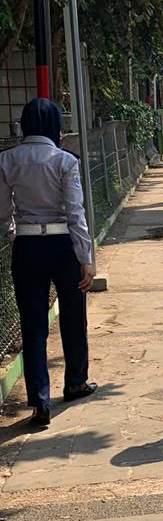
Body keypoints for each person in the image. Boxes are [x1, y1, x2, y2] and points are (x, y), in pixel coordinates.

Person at [0, 98, 97, 428]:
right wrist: (86, 258)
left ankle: (39, 399)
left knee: (33, 323)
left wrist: (16, 235)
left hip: (26, 246)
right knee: (73, 313)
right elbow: (76, 212)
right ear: (55, 125)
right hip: (63, 245)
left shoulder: (7, 160)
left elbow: (3, 213)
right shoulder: (65, 160)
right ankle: (75, 382)